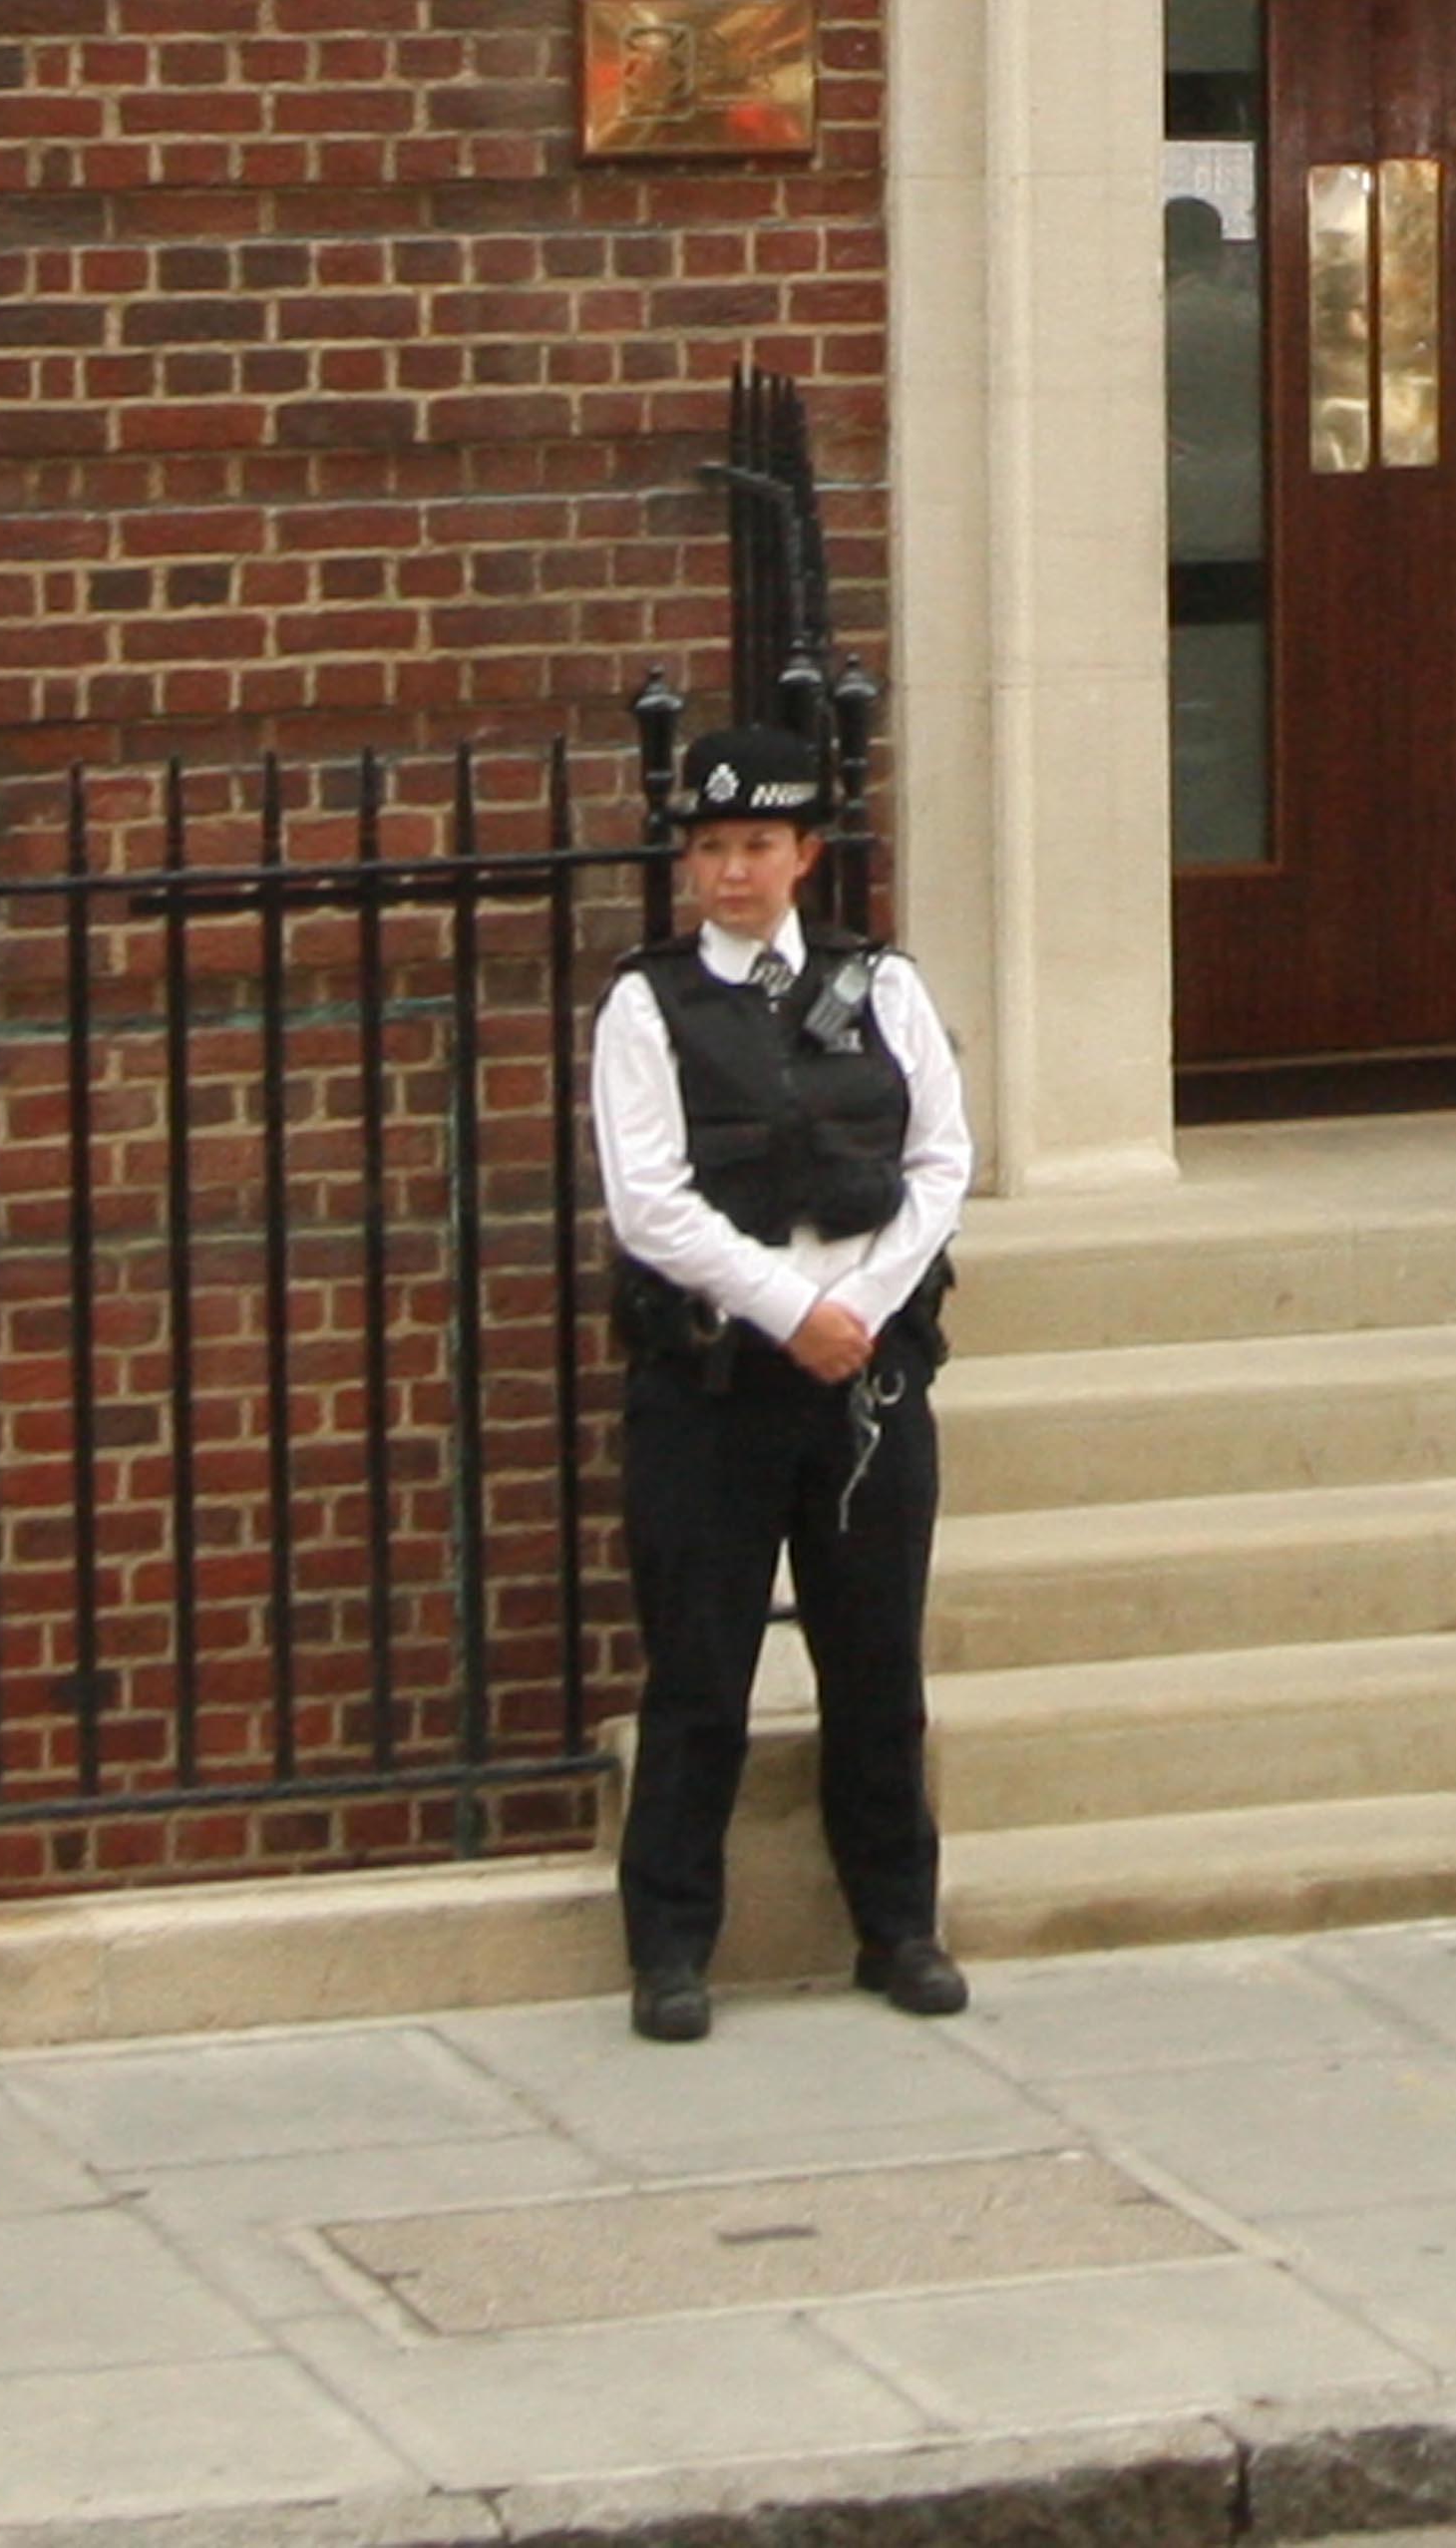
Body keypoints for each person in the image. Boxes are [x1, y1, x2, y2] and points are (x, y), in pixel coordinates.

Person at [586, 710, 973, 2037]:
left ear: (806, 853)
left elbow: (940, 1165)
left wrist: (857, 1309)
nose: (731, 871)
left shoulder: (886, 987)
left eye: (757, 844)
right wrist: (788, 1307)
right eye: (709, 848)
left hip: (864, 1381)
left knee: (877, 1663)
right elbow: (651, 1203)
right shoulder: (648, 1004)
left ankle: (899, 1926)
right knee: (699, 1669)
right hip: (713, 1387)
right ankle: (673, 1948)